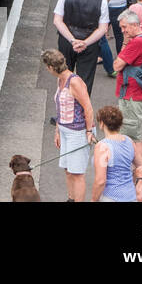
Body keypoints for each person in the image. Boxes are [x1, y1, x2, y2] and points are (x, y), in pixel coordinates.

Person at [42, 49, 96, 202]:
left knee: (77, 173)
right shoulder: (60, 79)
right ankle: (71, 198)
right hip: (65, 130)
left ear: (51, 67)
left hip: (78, 132)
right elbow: (60, 106)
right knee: (68, 170)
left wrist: (89, 131)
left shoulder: (75, 82)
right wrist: (57, 131)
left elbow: (88, 107)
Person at [53, 0, 110, 93]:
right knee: (85, 81)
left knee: (63, 76)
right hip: (89, 43)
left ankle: (63, 107)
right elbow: (103, 29)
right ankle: (82, 110)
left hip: (66, 41)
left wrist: (72, 40)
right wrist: (85, 42)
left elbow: (57, 21)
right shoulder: (101, 0)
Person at [113, 9, 142, 167]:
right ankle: (141, 170)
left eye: (125, 27)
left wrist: (124, 43)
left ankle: (140, 172)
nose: (122, 31)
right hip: (136, 95)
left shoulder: (137, 42)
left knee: (131, 137)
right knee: (136, 135)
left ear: (135, 24)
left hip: (131, 96)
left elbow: (116, 65)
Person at [92, 105, 142, 202]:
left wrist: (93, 199)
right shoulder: (129, 141)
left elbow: (100, 181)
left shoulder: (102, 147)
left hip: (111, 197)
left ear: (102, 123)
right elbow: (141, 167)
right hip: (131, 196)